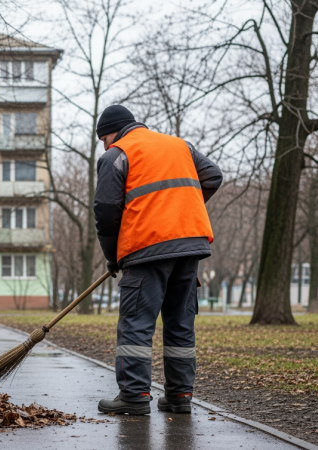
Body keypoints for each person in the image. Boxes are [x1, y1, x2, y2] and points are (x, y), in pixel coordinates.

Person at [93, 105, 222, 415]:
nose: (104, 146)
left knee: (136, 324)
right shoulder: (181, 146)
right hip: (190, 245)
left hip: (147, 248)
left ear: (111, 133)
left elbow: (107, 212)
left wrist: (113, 257)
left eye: (103, 139)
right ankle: (179, 397)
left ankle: (134, 396)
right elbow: (213, 176)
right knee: (180, 323)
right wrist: (177, 208)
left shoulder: (116, 155)